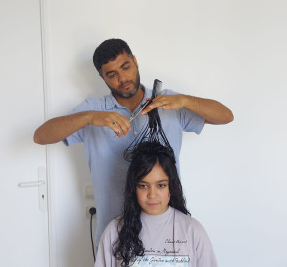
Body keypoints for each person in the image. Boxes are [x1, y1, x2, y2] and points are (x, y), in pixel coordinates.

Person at [33, 38, 233, 246]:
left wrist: (185, 100)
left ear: (135, 61)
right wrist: (89, 117)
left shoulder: (169, 103)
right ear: (102, 77)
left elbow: (226, 116)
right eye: (111, 74)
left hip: (170, 234)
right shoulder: (94, 109)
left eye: (125, 67)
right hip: (115, 236)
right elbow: (41, 136)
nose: (122, 78)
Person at [95, 141, 218, 267]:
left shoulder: (193, 230)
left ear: (171, 186)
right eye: (143, 186)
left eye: (161, 185)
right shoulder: (114, 231)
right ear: (133, 188)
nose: (152, 195)